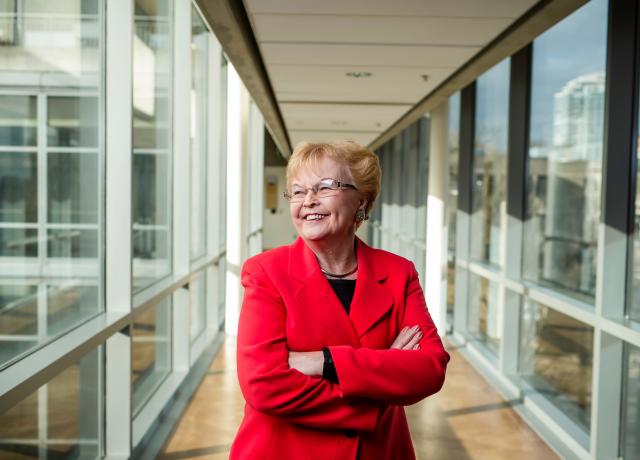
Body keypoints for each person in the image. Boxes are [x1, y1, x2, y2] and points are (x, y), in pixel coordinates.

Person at [229, 141, 450, 460]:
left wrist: (325, 362)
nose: (308, 201)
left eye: (325, 187)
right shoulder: (266, 272)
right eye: (298, 191)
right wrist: (383, 374)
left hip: (377, 452)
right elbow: (264, 386)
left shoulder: (399, 272)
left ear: (363, 200)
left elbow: (429, 368)